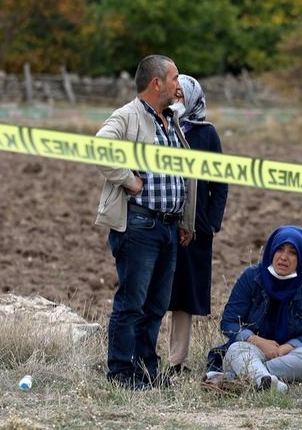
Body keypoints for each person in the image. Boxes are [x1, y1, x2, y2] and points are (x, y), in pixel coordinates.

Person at [94, 54, 197, 390]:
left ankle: (145, 369)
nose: (178, 85)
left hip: (168, 227)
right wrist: (128, 179)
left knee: (154, 306)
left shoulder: (171, 120)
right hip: (139, 226)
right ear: (157, 83)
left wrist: (184, 218)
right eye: (175, 78)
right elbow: (100, 147)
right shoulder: (127, 116)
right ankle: (121, 373)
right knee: (132, 304)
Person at [203, 226, 302, 393]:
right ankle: (267, 383)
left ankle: (238, 378)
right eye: (279, 249)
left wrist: (285, 348)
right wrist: (259, 342)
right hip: (251, 350)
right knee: (236, 349)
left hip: (289, 355)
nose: (284, 257)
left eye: (293, 252)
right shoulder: (251, 276)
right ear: (271, 250)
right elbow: (229, 322)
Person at [166, 75, 228, 376]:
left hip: (197, 228)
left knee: (184, 294)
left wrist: (211, 223)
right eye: (172, 93)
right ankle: (144, 357)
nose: (176, 99)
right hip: (162, 222)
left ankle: (176, 361)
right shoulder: (160, 128)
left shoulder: (206, 134)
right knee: (155, 291)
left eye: (181, 95)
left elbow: (219, 182)